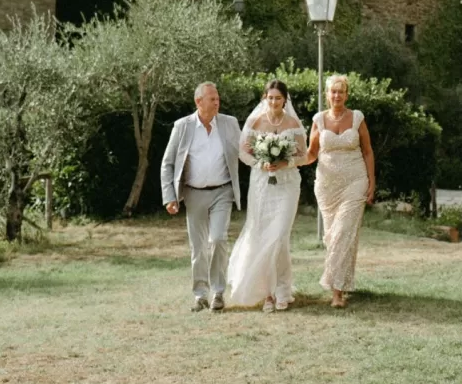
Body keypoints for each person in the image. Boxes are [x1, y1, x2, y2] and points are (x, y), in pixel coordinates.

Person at [160, 82, 242, 312]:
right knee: (198, 247)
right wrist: (170, 196)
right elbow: (167, 164)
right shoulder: (182, 126)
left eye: (218, 99)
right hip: (194, 193)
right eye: (212, 99)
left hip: (222, 191)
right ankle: (200, 295)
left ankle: (218, 292)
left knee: (217, 239)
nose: (217, 102)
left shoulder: (230, 123)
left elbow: (246, 150)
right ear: (199, 102)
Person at [228, 79, 307, 312]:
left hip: (287, 184)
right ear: (265, 98)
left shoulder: (293, 123)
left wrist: (285, 162)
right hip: (262, 183)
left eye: (278, 98)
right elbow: (243, 152)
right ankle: (269, 293)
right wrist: (260, 163)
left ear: (285, 100)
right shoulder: (255, 121)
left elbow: (303, 155)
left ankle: (282, 289)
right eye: (270, 97)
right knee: (261, 234)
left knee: (279, 236)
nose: (274, 102)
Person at [305, 74, 375, 308]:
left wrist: (371, 181)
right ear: (327, 95)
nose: (337, 96)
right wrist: (285, 160)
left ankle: (335, 292)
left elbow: (367, 151)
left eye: (341, 91)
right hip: (327, 187)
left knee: (343, 233)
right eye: (333, 92)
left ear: (346, 94)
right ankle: (343, 283)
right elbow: (311, 153)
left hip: (355, 182)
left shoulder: (357, 118)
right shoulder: (319, 119)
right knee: (333, 237)